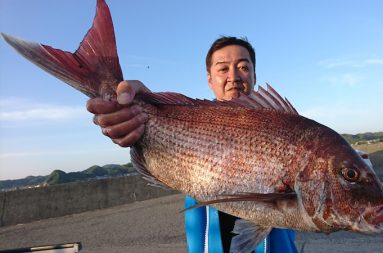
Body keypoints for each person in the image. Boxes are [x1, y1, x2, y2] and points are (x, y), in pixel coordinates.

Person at [87, 36, 298, 253]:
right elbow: (168, 129)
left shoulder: (287, 128)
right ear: (209, 80)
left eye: (243, 67)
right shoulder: (194, 124)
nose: (233, 76)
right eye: (223, 69)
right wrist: (137, 109)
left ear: (254, 75)